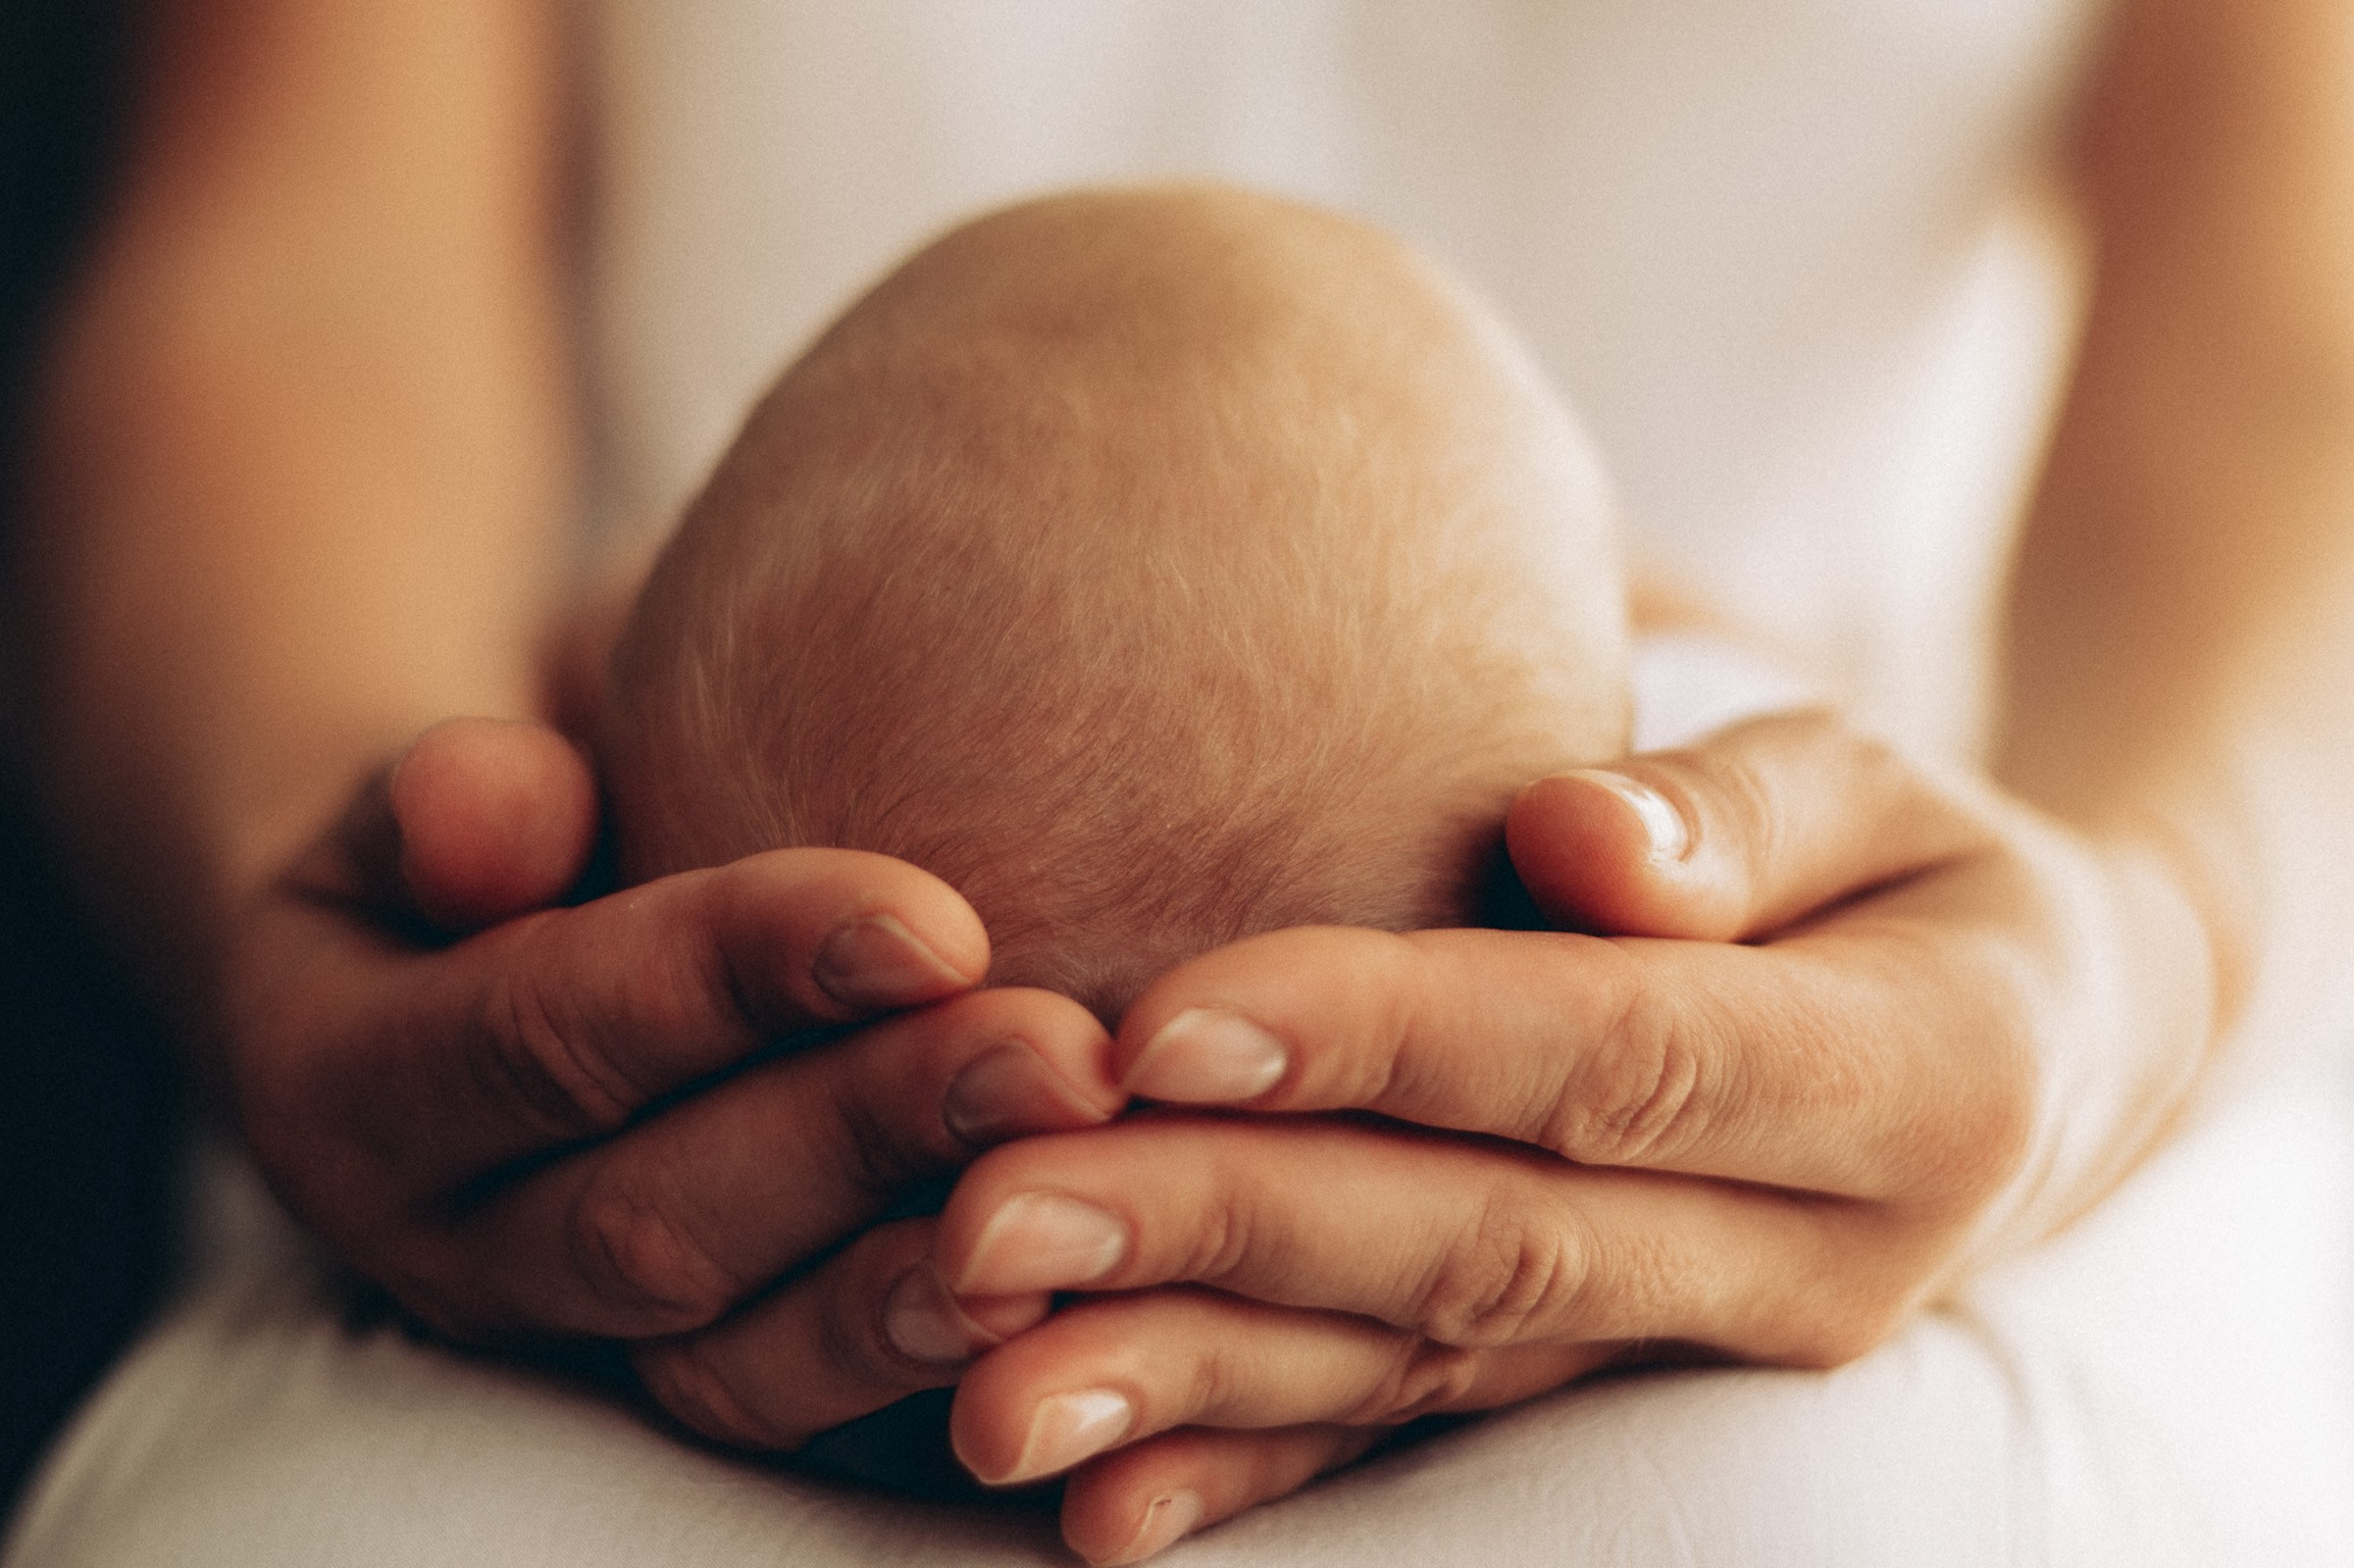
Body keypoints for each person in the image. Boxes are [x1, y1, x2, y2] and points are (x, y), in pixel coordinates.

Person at [7, 2, 2354, 1565]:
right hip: (641, 1053)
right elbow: (299, 265)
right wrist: (321, 867)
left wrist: (2148, 944)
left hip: (1869, 1028)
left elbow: (2290, 323)